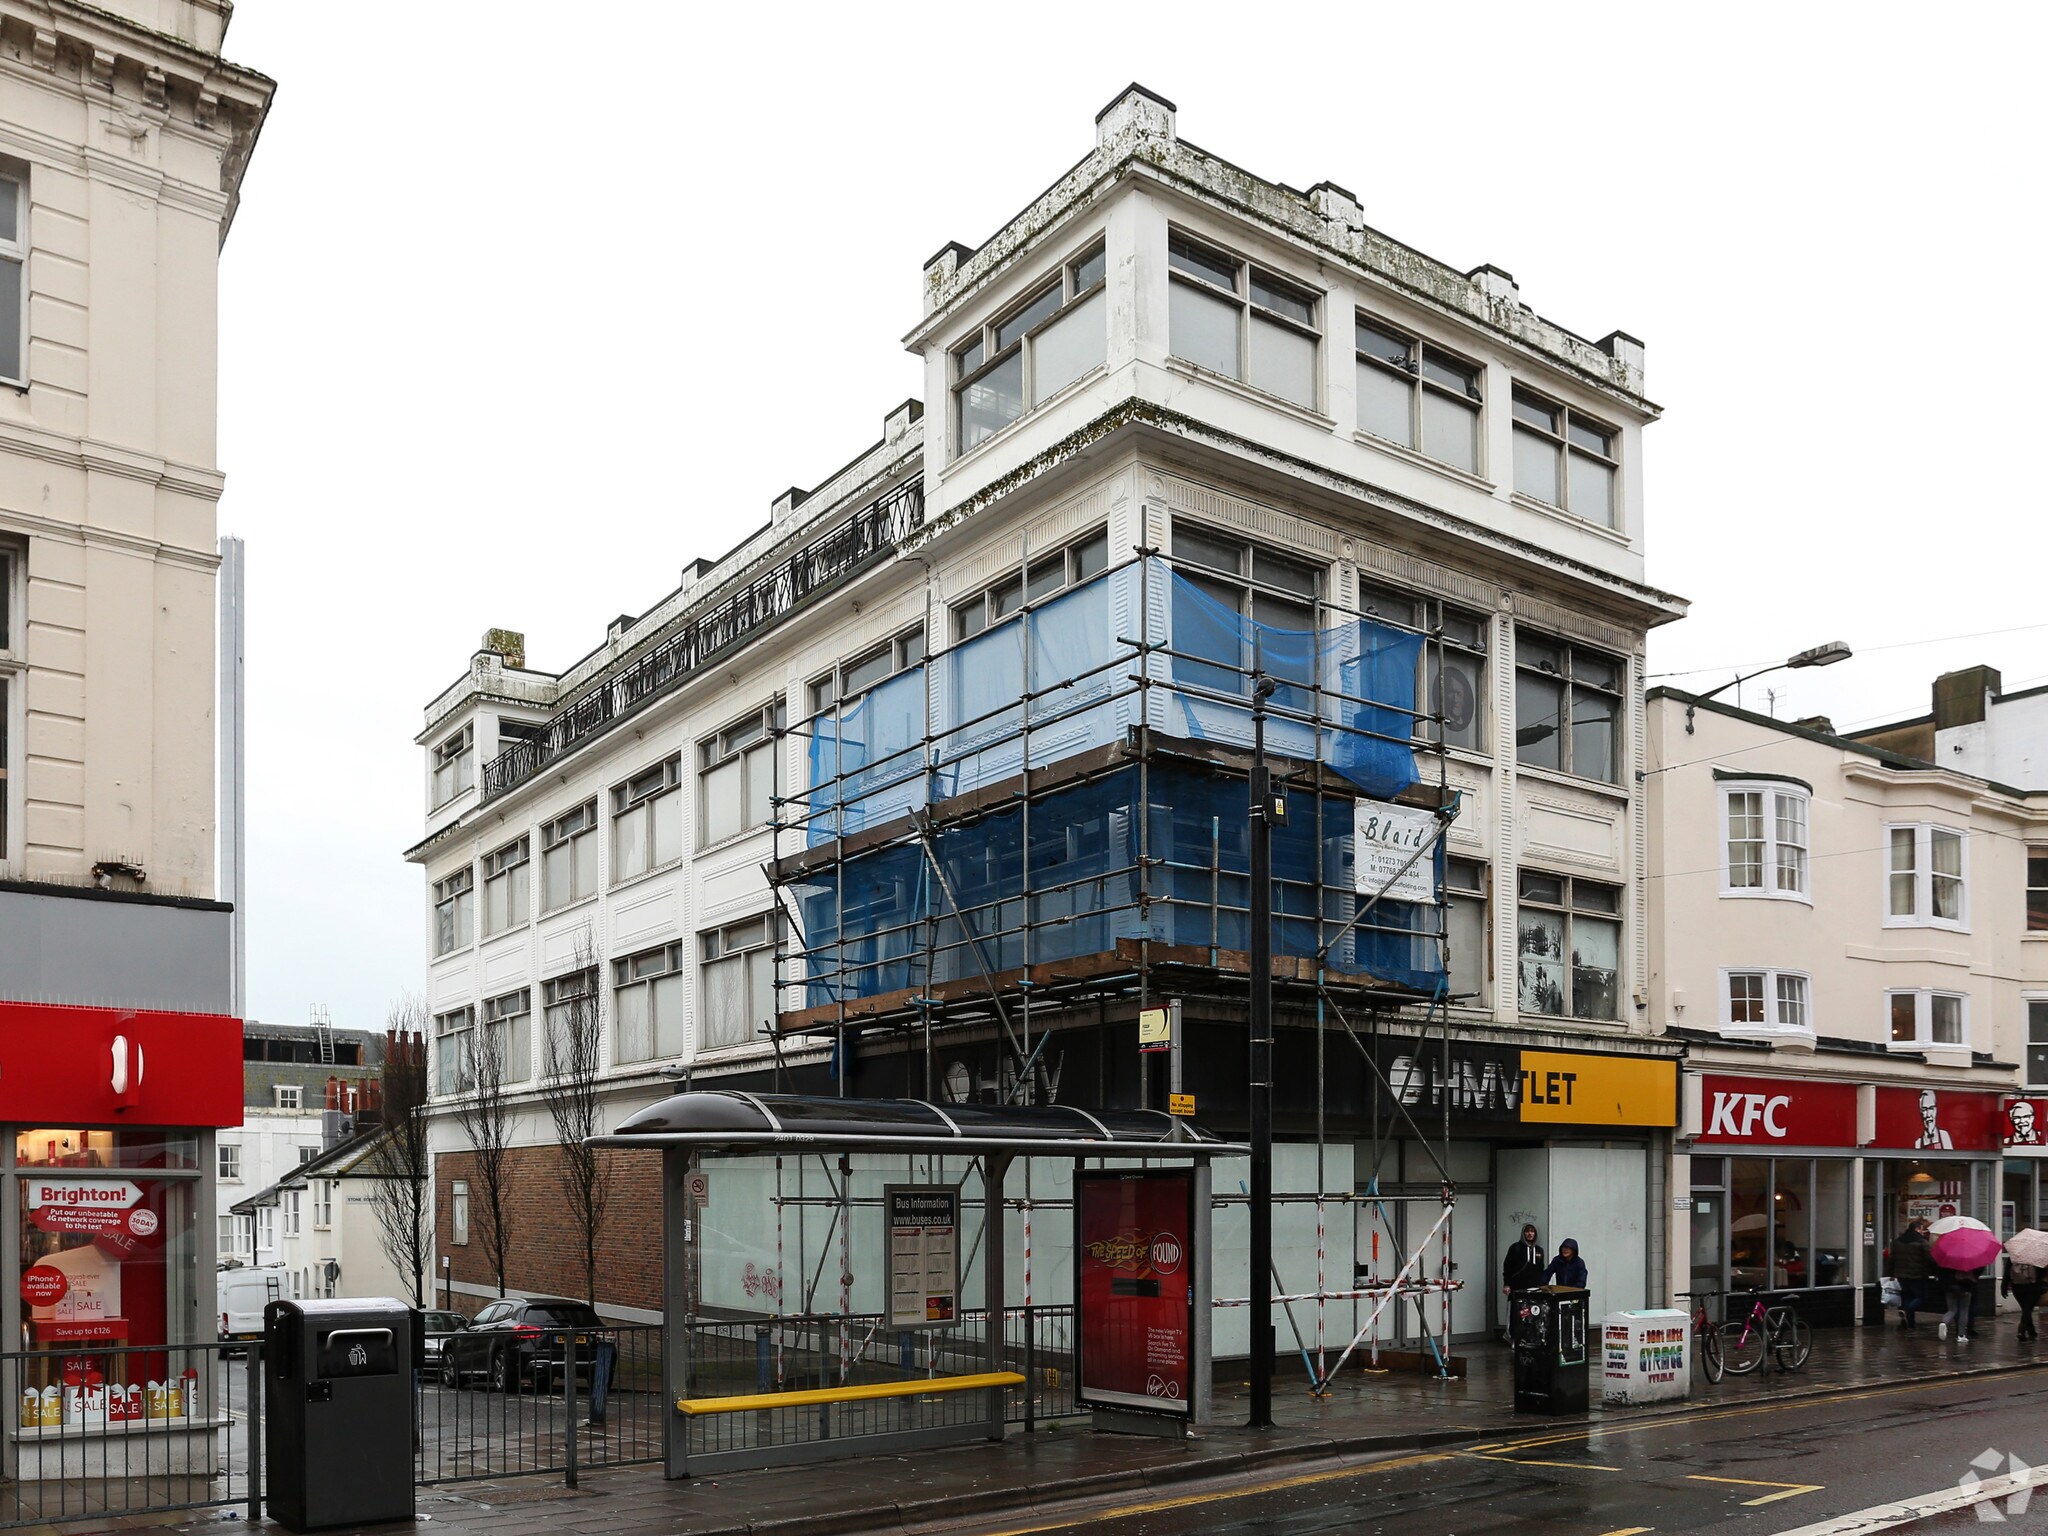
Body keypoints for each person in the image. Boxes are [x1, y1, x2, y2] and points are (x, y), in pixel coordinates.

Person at [1501, 1224, 1545, 1342]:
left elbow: (1541, 1269)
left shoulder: (1539, 1250)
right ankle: (1513, 1337)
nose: (1530, 1234)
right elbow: (1507, 1267)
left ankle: (1529, 1337)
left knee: (1532, 1313)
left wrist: (1542, 1286)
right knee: (1516, 1313)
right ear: (1523, 1233)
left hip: (1534, 1289)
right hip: (1517, 1287)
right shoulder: (1515, 1248)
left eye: (1532, 1231)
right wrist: (1507, 1284)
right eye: (1527, 1231)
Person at [1890, 1217, 1935, 1327]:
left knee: (1907, 1296)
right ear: (1917, 1229)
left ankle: (1909, 1322)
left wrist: (1890, 1273)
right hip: (1918, 1275)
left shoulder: (1897, 1242)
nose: (1922, 1232)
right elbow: (1931, 1258)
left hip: (1901, 1275)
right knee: (1921, 1297)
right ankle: (1907, 1311)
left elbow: (1892, 1259)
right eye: (1921, 1229)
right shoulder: (1922, 1242)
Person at [2003, 1255, 2043, 1341]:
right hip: (2033, 1286)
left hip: (2017, 1287)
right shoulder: (2036, 1256)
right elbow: (2041, 1272)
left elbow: (2007, 1272)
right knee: (2027, 1309)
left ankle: (2031, 1332)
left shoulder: (2013, 1256)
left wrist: (2004, 1286)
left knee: (2026, 1309)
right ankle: (2021, 1330)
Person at [1940, 1263, 1983, 1342]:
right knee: (1964, 1310)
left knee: (1951, 1310)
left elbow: (1942, 1273)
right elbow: (1979, 1270)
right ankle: (1961, 1335)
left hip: (1950, 1288)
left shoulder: (1949, 1259)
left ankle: (1944, 1323)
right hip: (1965, 1288)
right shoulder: (1970, 1259)